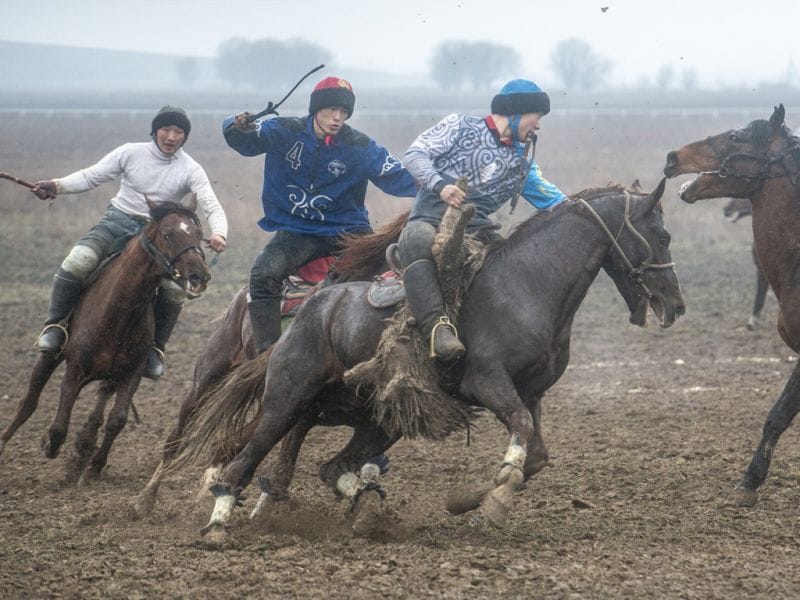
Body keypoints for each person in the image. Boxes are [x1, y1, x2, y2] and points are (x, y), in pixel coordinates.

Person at [222, 76, 417, 354]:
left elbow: (397, 176)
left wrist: (436, 186)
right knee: (263, 274)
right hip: (296, 232)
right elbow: (244, 139)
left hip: (348, 233)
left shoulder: (360, 146)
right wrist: (235, 124)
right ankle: (267, 355)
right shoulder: (284, 130)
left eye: (344, 113)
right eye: (331, 110)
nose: (337, 118)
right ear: (316, 109)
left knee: (376, 275)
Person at [31, 105, 228, 379]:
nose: (171, 136)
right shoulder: (130, 152)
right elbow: (91, 176)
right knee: (78, 261)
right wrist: (56, 185)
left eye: (179, 131)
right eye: (166, 129)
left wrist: (219, 232)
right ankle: (55, 327)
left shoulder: (191, 168)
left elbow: (211, 204)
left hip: (158, 237)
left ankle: (155, 350)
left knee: (174, 292)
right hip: (116, 223)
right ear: (155, 130)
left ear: (185, 136)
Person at [399, 78, 567, 364]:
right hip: (430, 217)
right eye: (536, 116)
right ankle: (437, 330)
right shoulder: (460, 126)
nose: (538, 125)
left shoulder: (522, 165)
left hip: (476, 231)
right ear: (516, 111)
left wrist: (593, 208)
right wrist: (441, 185)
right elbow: (414, 155)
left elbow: (557, 202)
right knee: (415, 240)